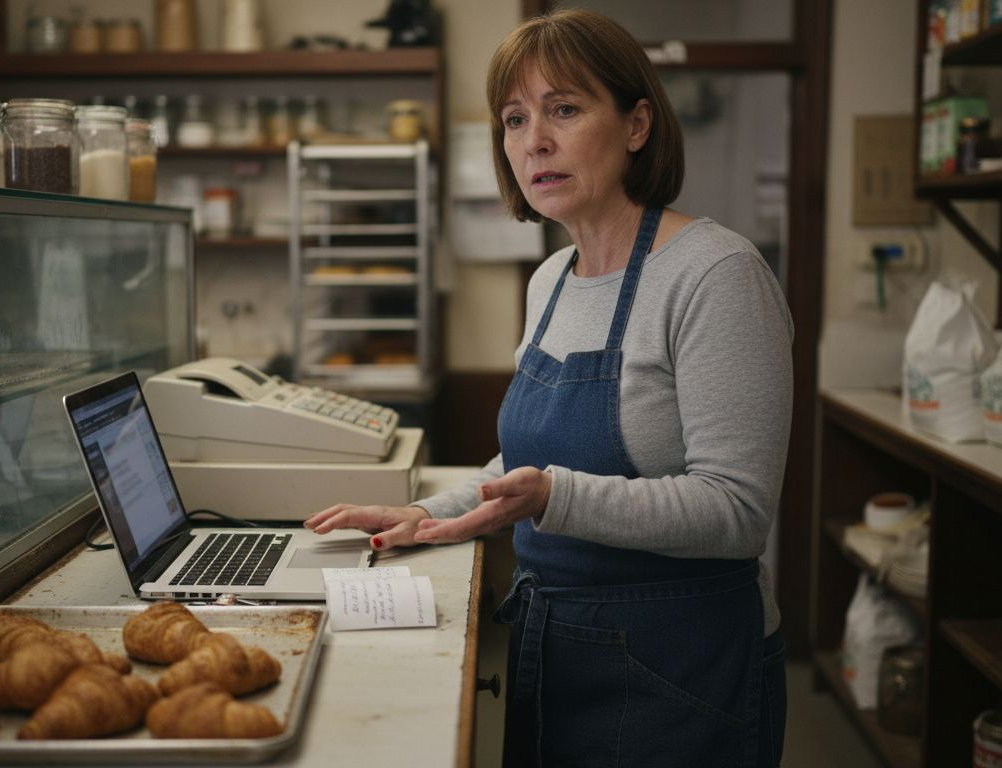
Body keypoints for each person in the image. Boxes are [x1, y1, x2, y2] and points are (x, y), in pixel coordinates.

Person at [305, 9, 792, 767]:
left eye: (564, 109)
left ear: (636, 125)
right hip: (560, 650)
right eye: (514, 118)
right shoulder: (551, 281)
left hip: (684, 673)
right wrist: (427, 515)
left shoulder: (716, 275)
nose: (534, 139)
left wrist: (555, 500)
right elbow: (524, 463)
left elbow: (737, 512)